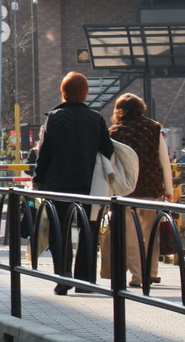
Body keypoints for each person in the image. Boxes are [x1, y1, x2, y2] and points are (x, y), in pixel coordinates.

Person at [31, 71, 114, 295]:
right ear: (85, 93)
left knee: (59, 232)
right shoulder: (95, 118)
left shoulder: (54, 117)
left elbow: (44, 154)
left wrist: (37, 181)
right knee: (89, 231)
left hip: (57, 185)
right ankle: (84, 281)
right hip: (89, 185)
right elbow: (108, 149)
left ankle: (63, 277)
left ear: (63, 92)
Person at [107, 93, 173, 287]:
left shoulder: (115, 132)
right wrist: (167, 188)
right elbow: (164, 161)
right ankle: (152, 271)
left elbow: (112, 165)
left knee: (131, 237)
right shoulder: (154, 128)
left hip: (126, 190)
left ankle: (138, 276)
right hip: (152, 188)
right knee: (152, 232)